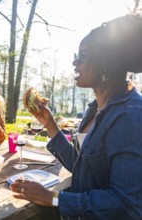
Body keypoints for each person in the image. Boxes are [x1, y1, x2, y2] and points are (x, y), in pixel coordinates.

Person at [10, 14, 142, 219]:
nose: (74, 62)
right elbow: (83, 169)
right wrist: (50, 123)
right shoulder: (95, 109)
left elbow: (125, 204)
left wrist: (53, 198)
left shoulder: (130, 115)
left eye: (82, 55)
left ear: (105, 61)